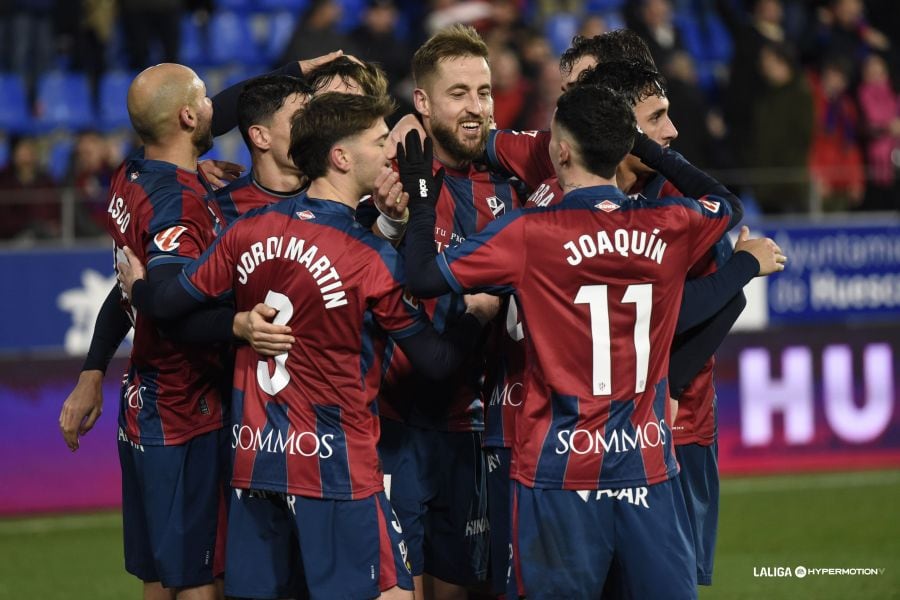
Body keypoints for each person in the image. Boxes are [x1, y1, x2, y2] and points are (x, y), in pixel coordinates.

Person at [115, 91, 500, 600]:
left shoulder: (246, 232)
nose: (391, 152)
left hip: (257, 463)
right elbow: (436, 361)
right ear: (341, 157)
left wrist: (138, 288)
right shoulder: (370, 259)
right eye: (381, 141)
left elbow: (169, 304)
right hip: (337, 466)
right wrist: (475, 315)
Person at [399, 82, 746, 598]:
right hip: (646, 465)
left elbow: (423, 277)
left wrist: (421, 193)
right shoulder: (669, 223)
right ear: (621, 148)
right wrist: (646, 147)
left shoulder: (529, 232)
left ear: (560, 152)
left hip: (557, 470)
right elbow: (726, 204)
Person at [376, 24, 525, 600]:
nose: (475, 107)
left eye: (484, 93)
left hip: (479, 430)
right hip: (398, 426)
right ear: (422, 103)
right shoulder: (390, 185)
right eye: (458, 93)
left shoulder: (512, 186)